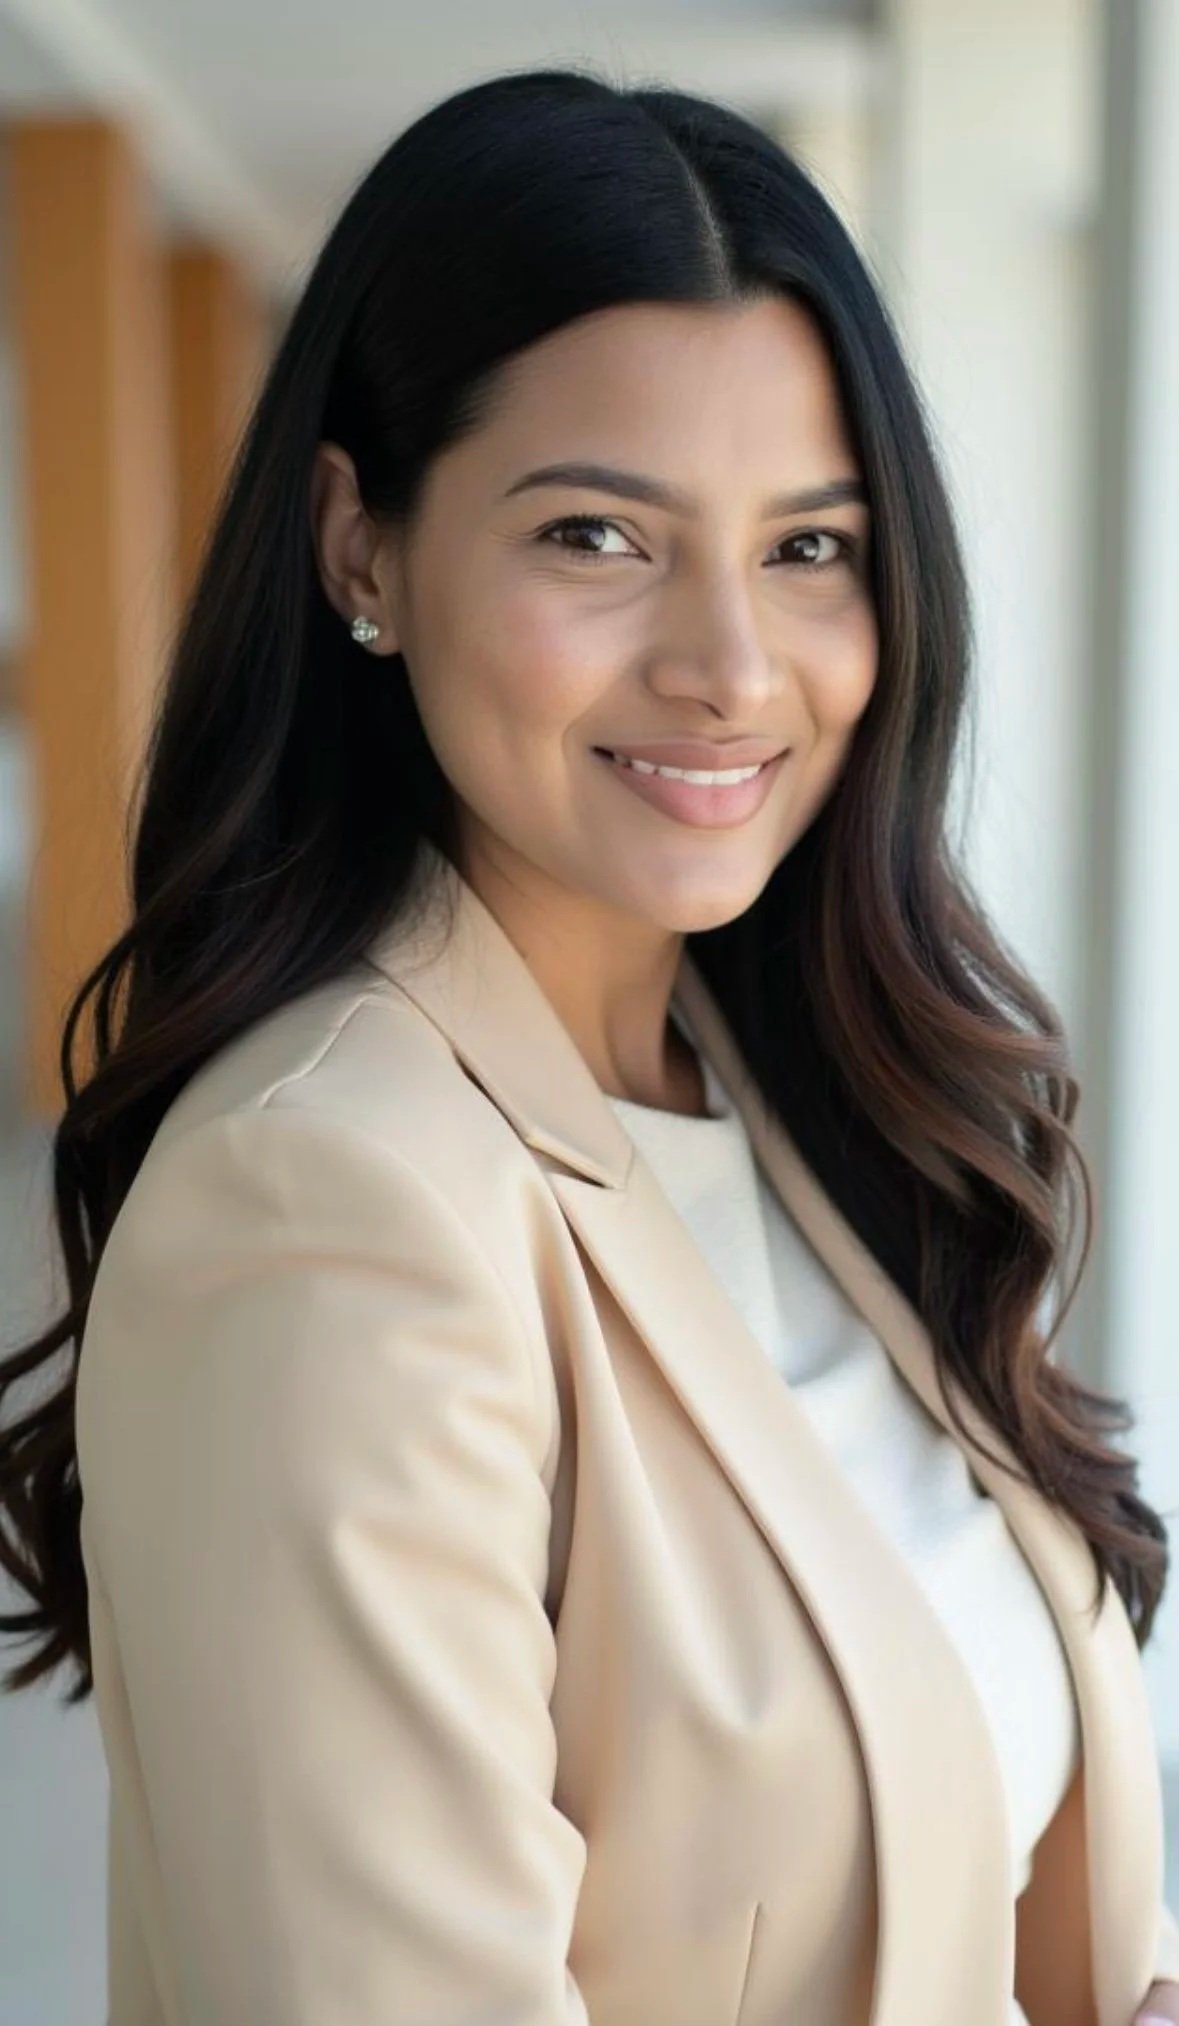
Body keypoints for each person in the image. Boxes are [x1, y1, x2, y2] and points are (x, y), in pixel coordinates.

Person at [1, 63, 1177, 2026]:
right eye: (596, 536)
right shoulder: (332, 1201)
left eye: (807, 544)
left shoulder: (803, 1085)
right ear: (360, 546)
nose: (729, 662)